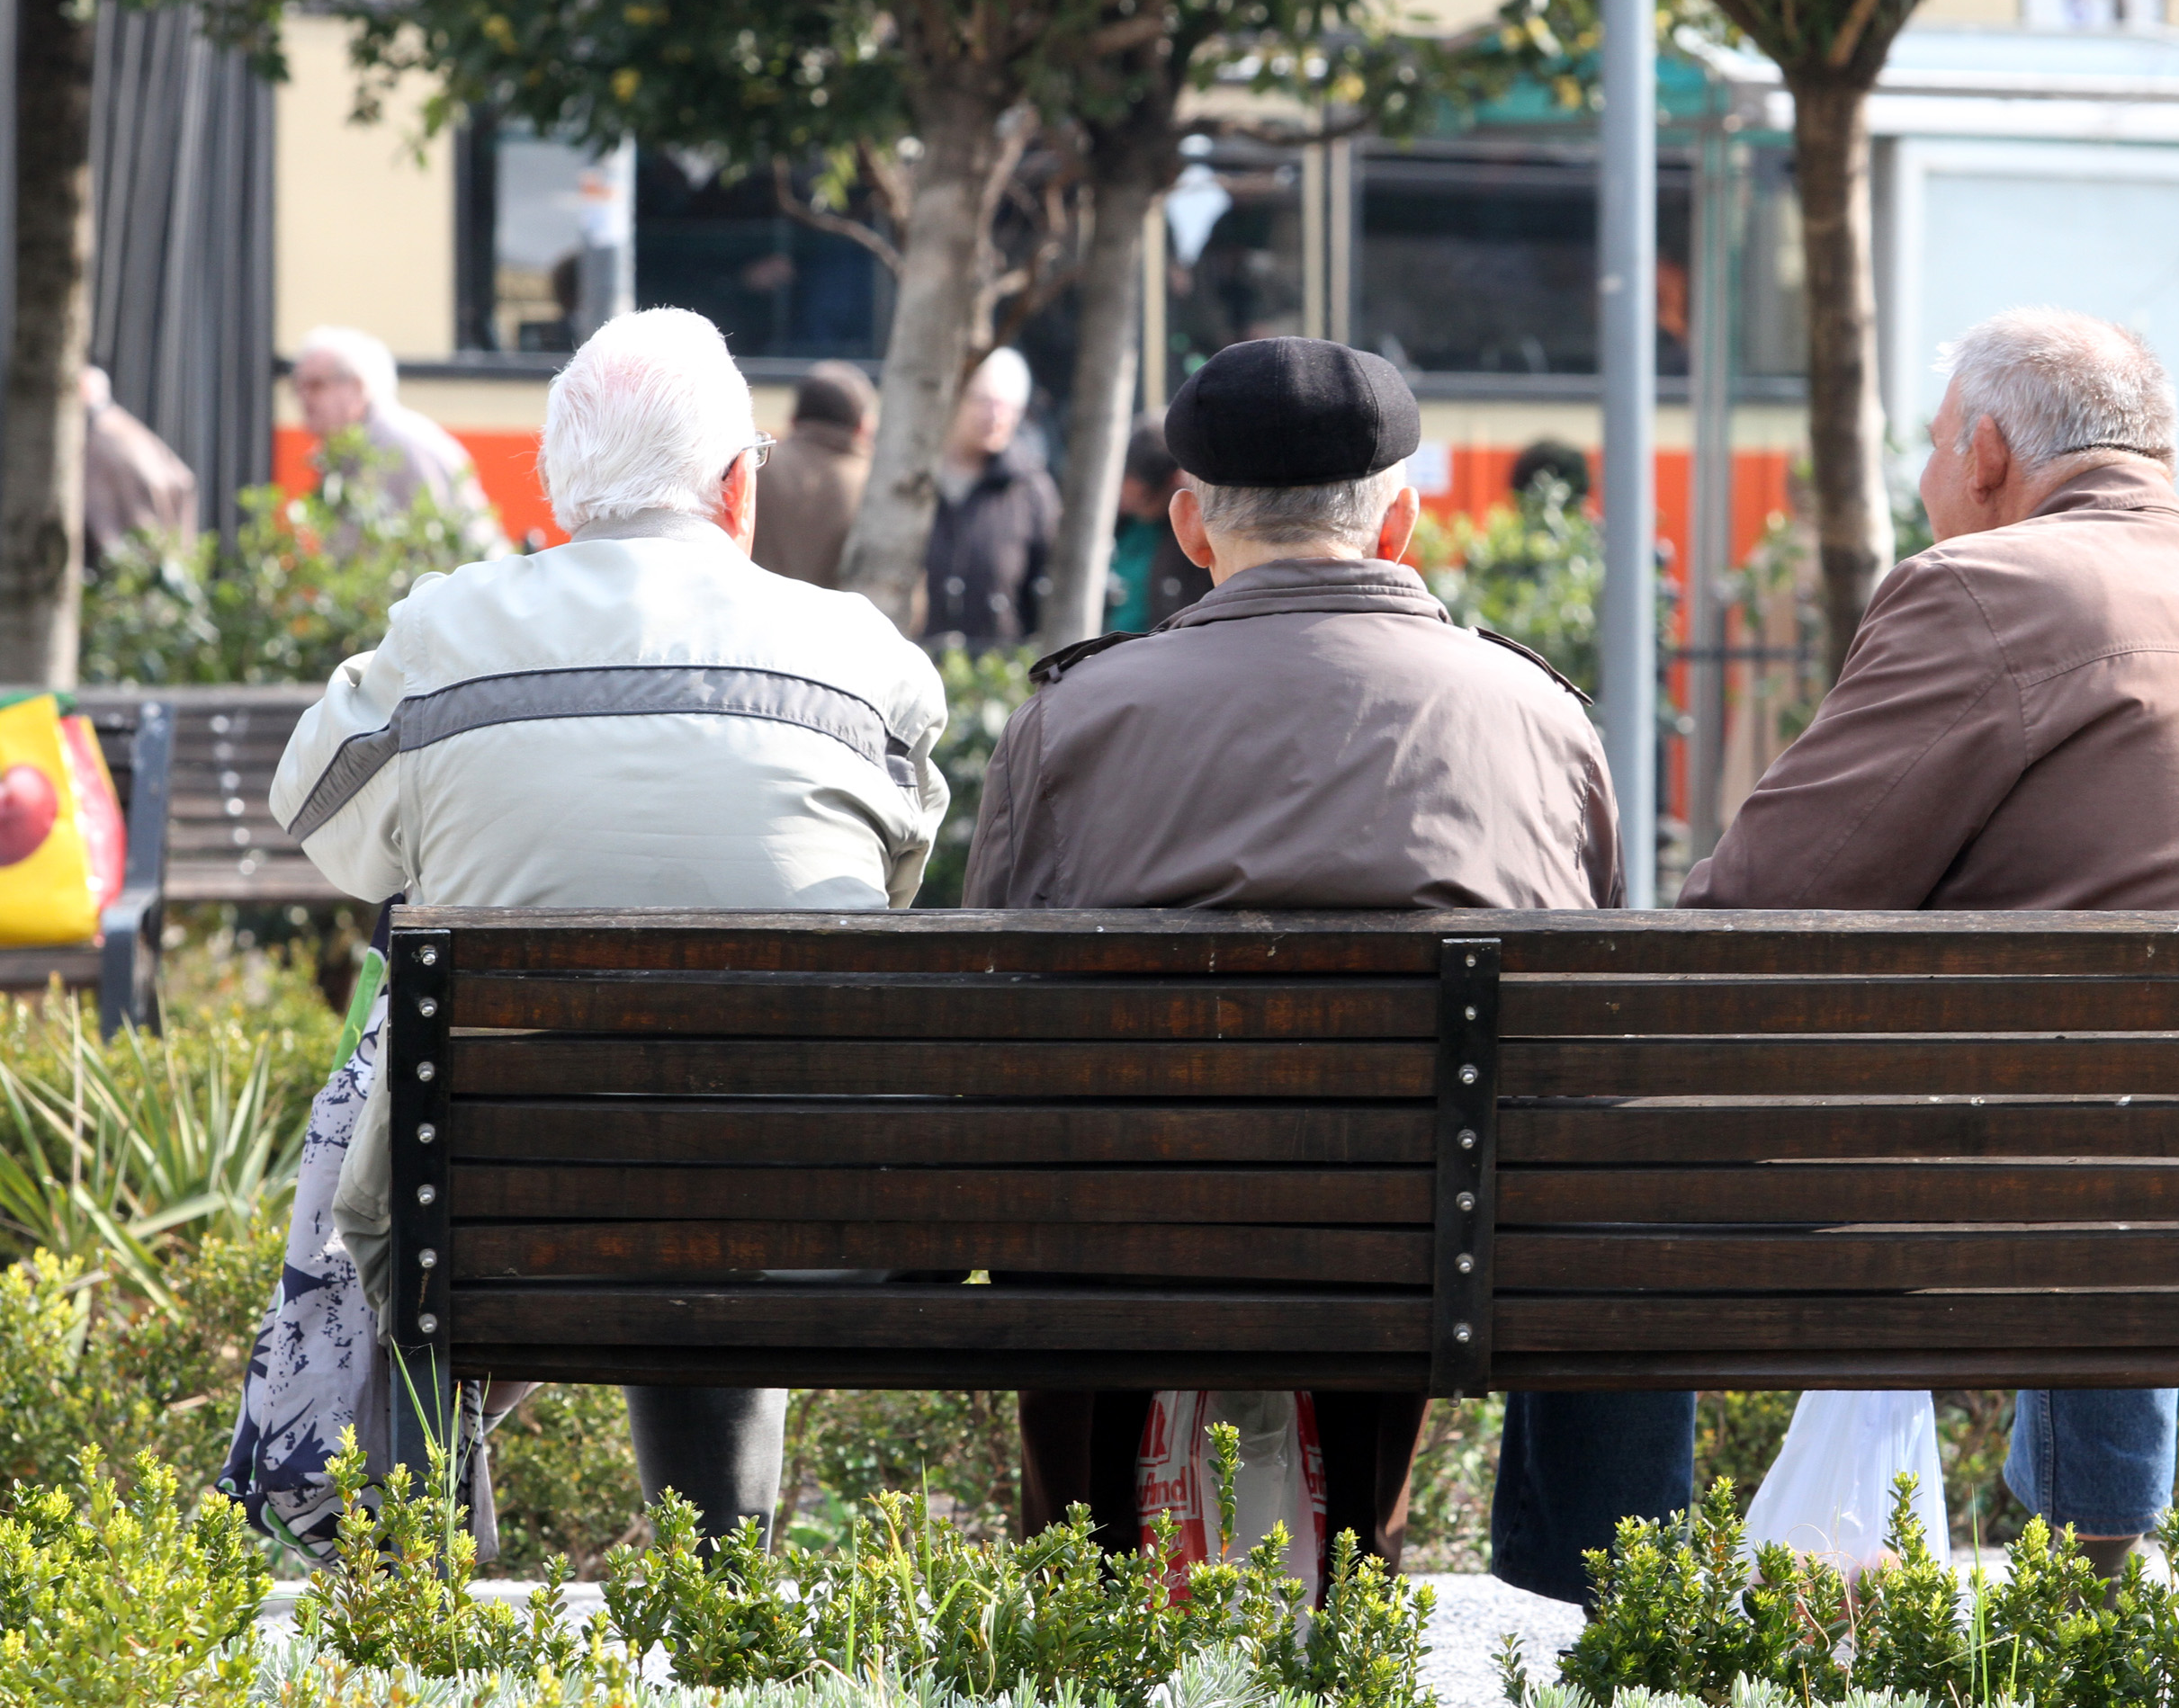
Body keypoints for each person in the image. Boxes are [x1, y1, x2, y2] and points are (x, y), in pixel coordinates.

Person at [1678, 306, 2179, 1579]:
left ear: (1989, 451)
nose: (1933, 477)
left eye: (1936, 448)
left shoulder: (1983, 586)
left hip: (2041, 1180)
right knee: (2141, 1069)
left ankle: (1619, 1565)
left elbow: (1770, 891)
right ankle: (2101, 1553)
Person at [246, 309, 951, 1558]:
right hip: (813, 1217)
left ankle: (413, 1559)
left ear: (555, 487)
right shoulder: (863, 658)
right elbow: (892, 885)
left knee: (426, 1081)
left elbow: (324, 827)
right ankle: (719, 1569)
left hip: (493, 1205)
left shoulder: (444, 633)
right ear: (740, 488)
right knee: (727, 1103)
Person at [965, 335, 1627, 1580]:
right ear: (1402, 524)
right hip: (1431, 1254)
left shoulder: (1076, 718)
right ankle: (1358, 1582)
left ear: (1192, 526)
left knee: (1078, 1211)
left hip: (1126, 1252)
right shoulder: (1540, 717)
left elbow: (997, 1028)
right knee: (1434, 1179)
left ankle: (1083, 1594)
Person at [291, 325, 512, 556]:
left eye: (316, 386)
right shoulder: (343, 449)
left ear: (356, 387)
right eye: (298, 388)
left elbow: (445, 547)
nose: (304, 399)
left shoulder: (400, 445)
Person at [921, 346, 1059, 648]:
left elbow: (1048, 583)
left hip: (999, 673)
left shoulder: (1031, 490)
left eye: (1007, 406)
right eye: (984, 402)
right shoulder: (914, 482)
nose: (996, 416)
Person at [750, 360, 876, 587]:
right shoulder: (873, 484)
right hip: (840, 621)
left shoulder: (755, 468)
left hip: (753, 613)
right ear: (862, 427)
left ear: (793, 420)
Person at [81, 366, 197, 566]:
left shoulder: (98, 437)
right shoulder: (126, 428)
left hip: (121, 560)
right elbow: (184, 482)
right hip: (152, 556)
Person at [1105, 417, 1212, 633]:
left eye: (1144, 500)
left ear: (1174, 481)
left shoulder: (1194, 538)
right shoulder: (1125, 523)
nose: (1129, 504)